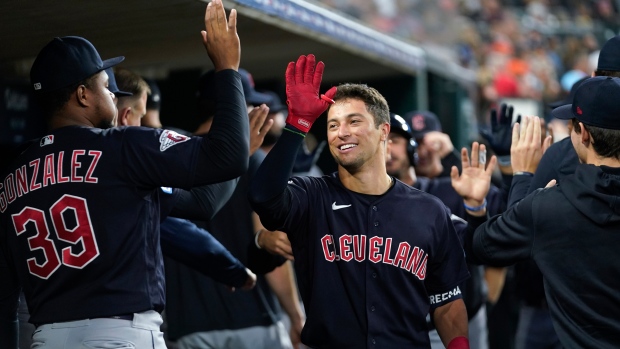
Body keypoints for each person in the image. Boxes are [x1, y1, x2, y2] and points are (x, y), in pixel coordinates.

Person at [0, 1, 248, 348]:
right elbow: (229, 157)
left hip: (47, 337)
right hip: (118, 333)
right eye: (105, 84)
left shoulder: (12, 173)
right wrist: (227, 68)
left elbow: (4, 297)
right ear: (83, 95)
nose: (112, 95)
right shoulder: (120, 147)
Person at [249, 54, 471, 348]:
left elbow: (447, 301)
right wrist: (297, 124)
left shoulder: (430, 210)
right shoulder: (311, 196)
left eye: (354, 121)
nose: (342, 133)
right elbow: (263, 196)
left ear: (383, 131)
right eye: (332, 125)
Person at [468, 76, 620, 348]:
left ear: (583, 132)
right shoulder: (550, 204)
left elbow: (482, 246)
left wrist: (524, 176)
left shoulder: (550, 205)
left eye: (571, 125)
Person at [163, 68, 304, 349]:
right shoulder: (254, 161)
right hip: (255, 322)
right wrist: (296, 316)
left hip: (190, 327)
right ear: (236, 109)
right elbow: (272, 246)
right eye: (250, 105)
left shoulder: (172, 151)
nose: (256, 113)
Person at [506, 34, 620, 349]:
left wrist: (518, 175)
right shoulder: (559, 155)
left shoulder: (561, 154)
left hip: (560, 314)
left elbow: (510, 241)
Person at [387, 113, 507, 349]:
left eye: (396, 140)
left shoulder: (446, 188)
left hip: (461, 314)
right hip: (403, 325)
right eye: (385, 141)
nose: (389, 149)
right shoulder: (371, 203)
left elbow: (504, 224)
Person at [404, 110, 462, 179]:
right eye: (416, 144)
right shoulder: (401, 183)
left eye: (428, 143)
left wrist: (449, 155)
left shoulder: (453, 179)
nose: (423, 153)